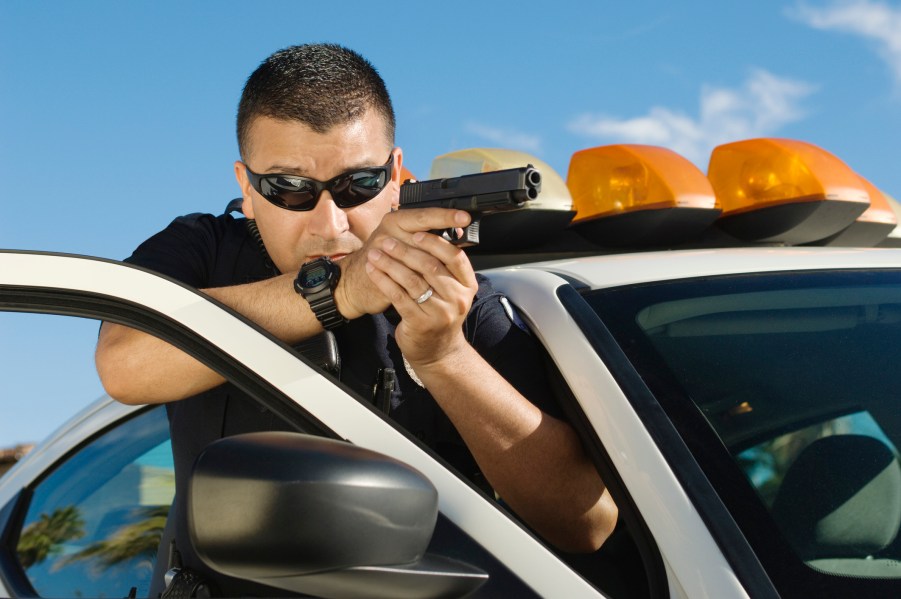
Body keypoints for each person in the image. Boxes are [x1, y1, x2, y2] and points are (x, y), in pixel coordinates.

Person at [95, 43, 617, 589]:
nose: (330, 222)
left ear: (395, 175)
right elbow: (124, 366)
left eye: (357, 185)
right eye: (290, 188)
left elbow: (587, 522)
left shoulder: (453, 294)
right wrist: (340, 291)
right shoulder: (201, 251)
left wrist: (446, 357)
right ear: (245, 188)